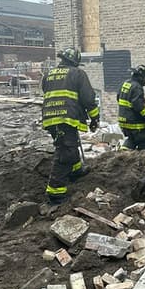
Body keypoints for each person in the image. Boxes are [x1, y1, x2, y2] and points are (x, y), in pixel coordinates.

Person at [41, 47, 99, 204]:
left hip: (51, 118)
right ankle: (55, 192)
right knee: (65, 152)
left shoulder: (49, 74)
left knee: (69, 144)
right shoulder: (78, 74)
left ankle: (75, 171)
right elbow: (88, 99)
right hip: (65, 118)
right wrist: (94, 118)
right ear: (75, 62)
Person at [118, 65, 145, 149]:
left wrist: (140, 99)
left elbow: (119, 97)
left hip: (123, 121)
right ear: (140, 77)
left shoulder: (126, 83)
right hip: (134, 122)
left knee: (132, 140)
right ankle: (143, 159)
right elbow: (137, 106)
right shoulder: (137, 87)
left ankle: (123, 155)